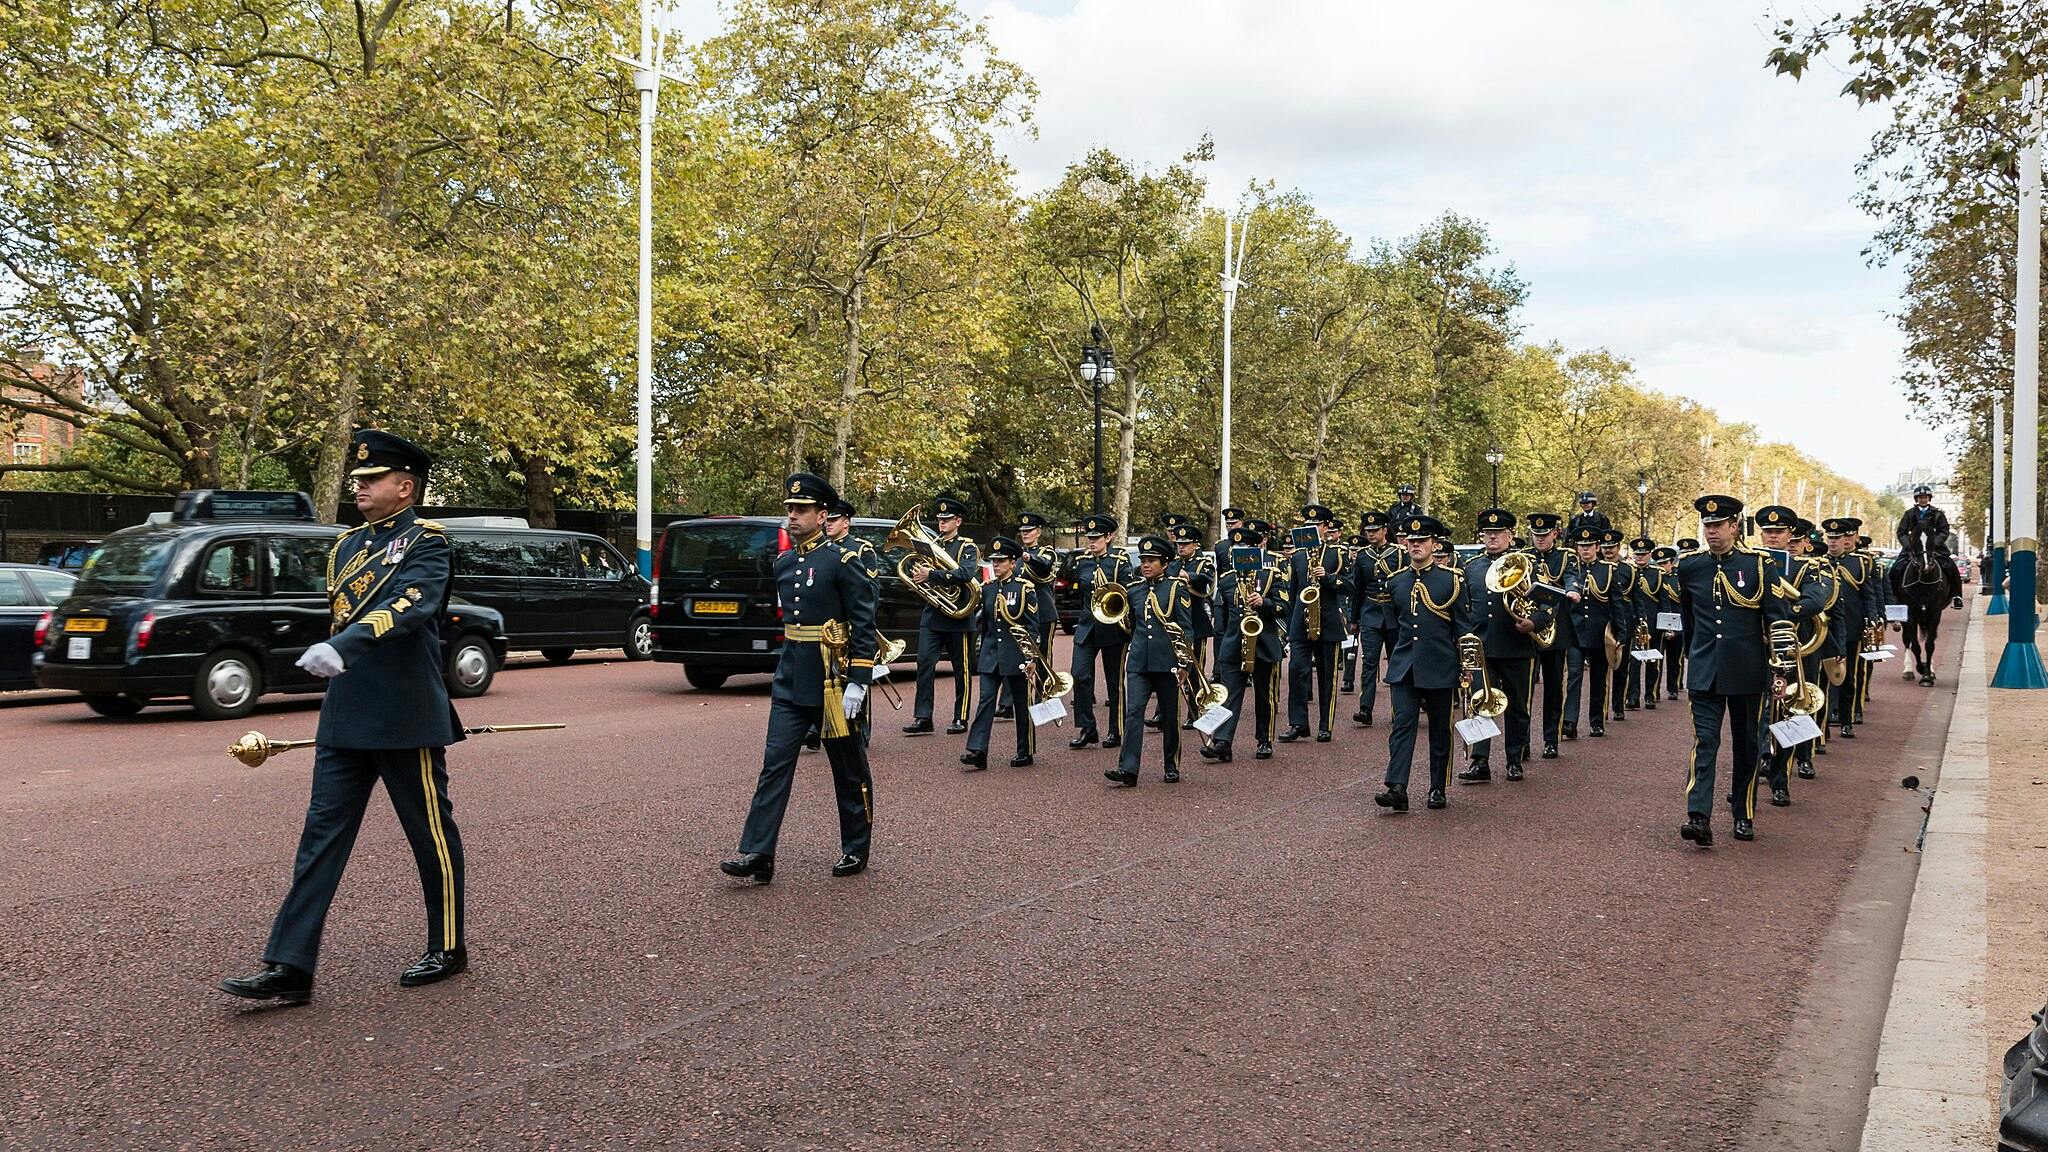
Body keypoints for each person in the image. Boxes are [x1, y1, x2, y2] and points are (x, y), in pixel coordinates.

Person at [221, 430, 469, 1003]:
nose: (358, 487)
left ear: (404, 487)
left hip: (406, 713)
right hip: (347, 712)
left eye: (371, 479)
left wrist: (347, 646)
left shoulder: (427, 544)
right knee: (320, 839)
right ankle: (290, 965)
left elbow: (411, 605)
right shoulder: (346, 546)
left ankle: (449, 945)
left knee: (429, 836)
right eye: (357, 479)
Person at [721, 474, 878, 884]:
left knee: (848, 769)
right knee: (774, 765)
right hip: (791, 678)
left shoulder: (843, 561)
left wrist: (859, 681)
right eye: (790, 508)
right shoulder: (784, 563)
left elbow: (863, 624)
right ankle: (758, 852)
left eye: (801, 509)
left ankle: (856, 846)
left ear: (822, 514)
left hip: (832, 682)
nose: (792, 515)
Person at [1673, 494, 1788, 847]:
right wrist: (1692, 657)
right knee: (1705, 742)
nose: (1711, 532)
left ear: (1735, 526)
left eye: (1718, 525)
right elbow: (1689, 619)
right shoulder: (1690, 566)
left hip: (1748, 671)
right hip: (1705, 670)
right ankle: (1698, 816)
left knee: (1747, 746)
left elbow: (1777, 618)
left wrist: (1782, 669)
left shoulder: (1759, 564)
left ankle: (1743, 813)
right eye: (1707, 526)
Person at [1374, 515, 1475, 812]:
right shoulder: (1396, 582)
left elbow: (1463, 627)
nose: (1416, 545)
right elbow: (1394, 627)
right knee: (1402, 724)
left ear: (1433, 544)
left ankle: (1437, 787)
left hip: (1441, 664)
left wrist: (1467, 666)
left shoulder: (1452, 580)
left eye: (1422, 541)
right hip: (1405, 664)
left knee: (1440, 729)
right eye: (1411, 541)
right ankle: (1397, 788)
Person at [1754, 505, 1835, 806]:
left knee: (1787, 714)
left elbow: (1816, 599)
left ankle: (1780, 780)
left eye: (1779, 532)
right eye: (1768, 532)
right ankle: (1750, 778)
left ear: (1790, 534)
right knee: (1754, 714)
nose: (1773, 536)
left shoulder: (1807, 567)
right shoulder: (1750, 563)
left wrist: (1782, 615)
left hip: (1792, 650)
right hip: (1755, 648)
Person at [1459, 509, 1545, 783]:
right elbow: (1464, 608)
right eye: (1487, 533)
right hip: (1482, 647)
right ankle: (1480, 761)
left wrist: (1533, 622)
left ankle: (1514, 759)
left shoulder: (1527, 564)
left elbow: (1547, 603)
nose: (1492, 537)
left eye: (1497, 533)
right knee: (1481, 704)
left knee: (1518, 707)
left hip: (1517, 646)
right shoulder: (1471, 566)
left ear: (1510, 535)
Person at [1106, 535, 1195, 787]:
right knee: (1133, 712)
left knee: (1169, 715)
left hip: (1168, 662)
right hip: (1139, 663)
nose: (1145, 564)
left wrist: (1185, 664)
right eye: (1143, 560)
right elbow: (1133, 628)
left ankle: (1171, 764)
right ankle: (1128, 769)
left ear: (1164, 563)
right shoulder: (1134, 591)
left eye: (1151, 560)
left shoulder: (1176, 588)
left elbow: (1186, 629)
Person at [1205, 524, 1289, 762]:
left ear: (1257, 549)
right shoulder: (1227, 579)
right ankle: (1223, 742)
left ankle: (1264, 740)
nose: (1238, 552)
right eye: (1236, 548)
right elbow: (1222, 614)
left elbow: (1285, 608)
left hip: (1264, 644)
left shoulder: (1271, 575)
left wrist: (1265, 603)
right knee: (1229, 695)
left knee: (1265, 696)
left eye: (1244, 548)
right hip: (1234, 644)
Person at [961, 537, 1041, 770]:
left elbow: (1032, 626)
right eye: (994, 561)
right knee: (985, 700)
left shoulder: (1024, 588)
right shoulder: (988, 589)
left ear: (1013, 563)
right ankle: (978, 750)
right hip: (991, 654)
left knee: (1020, 703)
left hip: (1016, 654)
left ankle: (1025, 750)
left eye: (1001, 561)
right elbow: (986, 625)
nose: (995, 565)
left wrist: (1031, 658)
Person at [902, 495, 979, 737]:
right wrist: (918, 579)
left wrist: (931, 575)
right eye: (939, 519)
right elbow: (921, 574)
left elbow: (966, 574)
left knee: (961, 669)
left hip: (958, 617)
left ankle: (961, 716)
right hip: (934, 616)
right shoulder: (931, 544)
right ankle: (923, 717)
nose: (941, 523)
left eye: (946, 519)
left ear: (958, 521)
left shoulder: (967, 547)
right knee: (924, 664)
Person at [1069, 514, 1134, 750]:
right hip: (1088, 626)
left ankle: (1116, 730)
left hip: (1113, 628)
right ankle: (1087, 727)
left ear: (1109, 537)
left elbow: (1128, 593)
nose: (1092, 541)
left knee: (1114, 682)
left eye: (1097, 537)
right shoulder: (1084, 561)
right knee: (1079, 674)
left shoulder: (1119, 560)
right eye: (1090, 537)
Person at [1281, 504, 1345, 743]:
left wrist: (1328, 578)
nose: (1310, 529)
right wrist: (1289, 625)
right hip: (1301, 621)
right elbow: (1293, 590)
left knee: (1327, 676)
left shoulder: (1337, 553)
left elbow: (1349, 584)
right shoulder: (1297, 556)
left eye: (1315, 525)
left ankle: (1325, 724)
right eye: (1307, 525)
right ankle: (1298, 723)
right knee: (1297, 671)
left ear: (1325, 527)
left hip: (1327, 622)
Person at [1526, 512, 1581, 758]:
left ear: (1555, 534)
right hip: (1526, 627)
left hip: (1555, 629)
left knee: (1553, 688)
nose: (1540, 539)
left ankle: (1551, 739)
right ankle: (1522, 742)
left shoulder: (1566, 556)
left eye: (1545, 535)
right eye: (1536, 535)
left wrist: (1572, 590)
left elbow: (1571, 576)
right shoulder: (1524, 557)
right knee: (1523, 690)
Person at [1824, 518, 1883, 738]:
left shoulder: (1858, 564)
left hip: (1852, 626)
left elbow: (1868, 595)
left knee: (1849, 676)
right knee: (1825, 677)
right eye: (1830, 538)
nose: (1833, 542)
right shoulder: (1819, 563)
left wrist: (1873, 618)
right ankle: (1826, 720)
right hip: (1826, 630)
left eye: (1837, 538)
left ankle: (1848, 719)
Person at [1564, 525, 1624, 739]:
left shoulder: (1608, 570)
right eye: (1581, 546)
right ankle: (1569, 721)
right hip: (1576, 633)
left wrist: (1620, 635)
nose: (1585, 549)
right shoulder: (1571, 570)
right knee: (1574, 677)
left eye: (1589, 545)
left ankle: (1596, 721)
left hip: (1601, 633)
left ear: (1597, 546)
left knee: (1599, 680)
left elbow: (1617, 605)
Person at [1347, 512, 1401, 729]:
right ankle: (1365, 708)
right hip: (1370, 614)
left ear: (1384, 531)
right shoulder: (1362, 556)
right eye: (1367, 531)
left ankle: (1398, 709)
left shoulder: (1398, 554)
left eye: (1374, 530)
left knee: (1397, 663)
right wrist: (1354, 619)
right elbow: (1357, 589)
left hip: (1394, 615)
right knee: (1369, 662)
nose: (1370, 534)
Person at [1895, 483, 1964, 608]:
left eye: (1925, 497)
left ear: (1929, 498)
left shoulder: (1937, 514)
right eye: (1920, 498)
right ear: (1917, 499)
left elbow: (1944, 530)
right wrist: (1908, 545)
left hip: (1934, 548)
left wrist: (1934, 543)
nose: (1923, 499)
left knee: (1951, 567)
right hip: (1914, 548)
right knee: (1896, 568)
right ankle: (1893, 597)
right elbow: (1901, 532)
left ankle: (1957, 596)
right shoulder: (1909, 514)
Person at [1599, 529, 1637, 723]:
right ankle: (1602, 709)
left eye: (1611, 547)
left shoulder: (1629, 570)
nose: (1608, 551)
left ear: (1618, 547)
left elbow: (1635, 597)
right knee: (1602, 667)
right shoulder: (1596, 568)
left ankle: (1618, 705)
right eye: (1604, 547)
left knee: (1621, 665)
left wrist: (1639, 620)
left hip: (1624, 619)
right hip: (1604, 619)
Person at [1626, 537, 1665, 710]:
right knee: (1633, 661)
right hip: (1635, 622)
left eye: (1644, 554)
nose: (1640, 557)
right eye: (1637, 554)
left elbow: (1664, 602)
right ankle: (1632, 696)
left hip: (1653, 623)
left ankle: (1650, 694)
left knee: (1652, 661)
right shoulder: (1628, 572)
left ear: (1650, 555)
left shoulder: (1657, 574)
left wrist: (1667, 626)